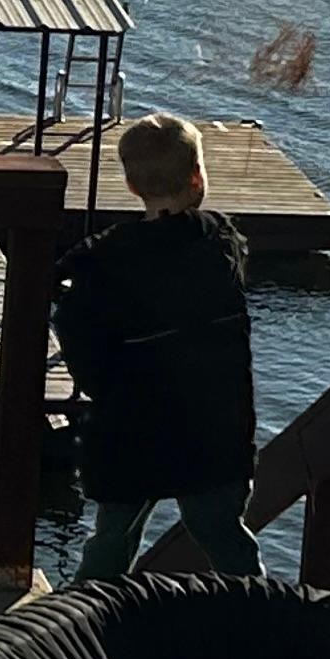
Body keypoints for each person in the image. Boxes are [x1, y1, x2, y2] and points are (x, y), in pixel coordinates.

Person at [53, 113, 263, 580]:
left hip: (132, 424)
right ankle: (258, 616)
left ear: (130, 185)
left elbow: (80, 341)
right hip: (213, 427)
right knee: (222, 532)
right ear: (197, 176)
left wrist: (104, 385)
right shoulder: (220, 243)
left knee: (113, 537)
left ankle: (85, 620)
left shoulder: (102, 261)